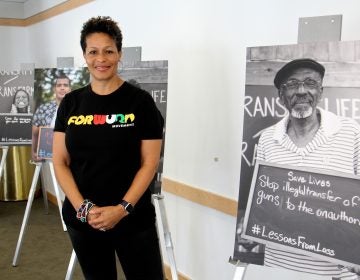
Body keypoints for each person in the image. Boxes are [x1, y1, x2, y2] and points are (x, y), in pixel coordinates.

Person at [52, 16, 164, 280]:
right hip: (84, 219)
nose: (100, 59)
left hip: (132, 218)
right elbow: (59, 161)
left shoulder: (140, 102)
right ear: (85, 55)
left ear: (119, 54)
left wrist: (122, 209)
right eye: (93, 51)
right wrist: (84, 209)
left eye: (108, 51)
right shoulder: (71, 103)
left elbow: (150, 162)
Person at [256, 58, 360, 279]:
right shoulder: (267, 139)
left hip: (337, 272)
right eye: (292, 84)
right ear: (281, 96)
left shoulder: (351, 133)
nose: (301, 91)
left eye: (310, 83)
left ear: (321, 90)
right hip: (278, 268)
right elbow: (262, 204)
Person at [31, 74, 71, 161]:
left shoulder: (77, 109)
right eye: (59, 85)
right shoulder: (43, 108)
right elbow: (34, 133)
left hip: (70, 160)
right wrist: (33, 152)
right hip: (47, 159)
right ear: (54, 89)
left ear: (70, 89)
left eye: (65, 85)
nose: (62, 88)